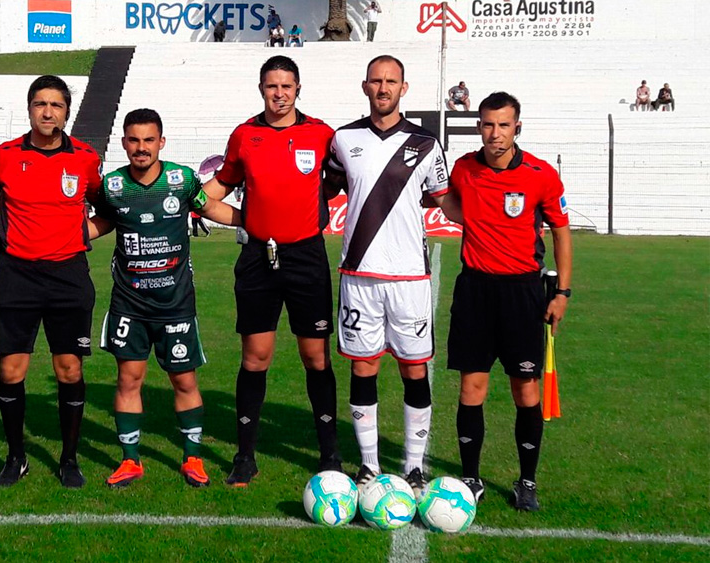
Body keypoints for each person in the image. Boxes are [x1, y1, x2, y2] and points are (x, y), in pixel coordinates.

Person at [203, 56, 343, 486]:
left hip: (306, 257)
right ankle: (245, 456)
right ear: (261, 88)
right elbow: (219, 187)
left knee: (315, 356)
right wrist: (188, 196)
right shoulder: (245, 135)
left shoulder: (321, 134)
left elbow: (339, 180)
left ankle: (330, 454)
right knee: (255, 356)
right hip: (258, 260)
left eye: (286, 86)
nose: (279, 94)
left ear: (298, 88)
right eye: (271, 86)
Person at [324, 55, 458, 495]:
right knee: (363, 367)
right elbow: (325, 188)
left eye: (391, 81)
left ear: (404, 88)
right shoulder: (343, 139)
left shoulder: (426, 143)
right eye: (376, 81)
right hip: (359, 274)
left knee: (414, 371)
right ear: (365, 86)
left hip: (409, 278)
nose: (383, 88)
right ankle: (368, 466)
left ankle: (414, 467)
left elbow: (445, 200)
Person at [89, 109, 242, 488]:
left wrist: (256, 219)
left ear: (161, 142)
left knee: (184, 380)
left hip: (175, 303)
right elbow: (103, 221)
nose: (141, 148)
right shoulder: (112, 186)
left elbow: (210, 207)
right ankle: (130, 461)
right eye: (134, 140)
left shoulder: (182, 180)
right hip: (129, 303)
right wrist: (59, 235)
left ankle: (193, 459)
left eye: (148, 140)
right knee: (128, 380)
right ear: (124, 143)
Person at [0, 75, 103, 489]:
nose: (48, 112)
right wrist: (0, 223)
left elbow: (108, 210)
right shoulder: (5, 155)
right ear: (29, 109)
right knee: (12, 370)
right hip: (17, 277)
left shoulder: (85, 157)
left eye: (56, 105)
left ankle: (69, 459)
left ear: (67, 112)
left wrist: (81, 234)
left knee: (69, 369)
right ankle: (16, 457)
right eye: (40, 104)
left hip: (68, 276)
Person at [444, 91, 573, 512]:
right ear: (478, 126)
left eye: (503, 125)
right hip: (475, 290)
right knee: (472, 386)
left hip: (522, 293)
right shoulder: (464, 168)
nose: (495, 133)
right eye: (488, 124)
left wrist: (562, 292)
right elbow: (451, 204)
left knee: (525, 388)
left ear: (518, 127)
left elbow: (561, 232)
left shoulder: (541, 174)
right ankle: (470, 478)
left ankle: (527, 481)